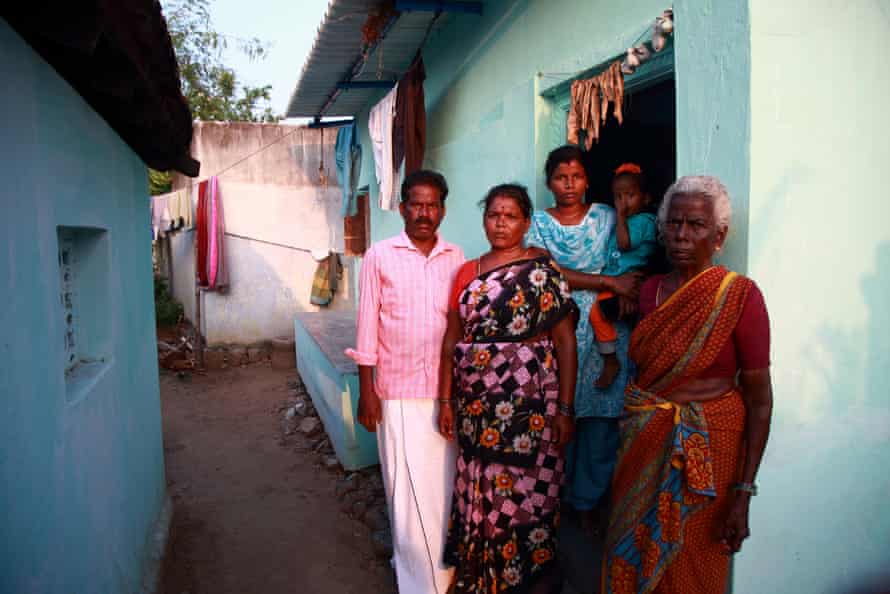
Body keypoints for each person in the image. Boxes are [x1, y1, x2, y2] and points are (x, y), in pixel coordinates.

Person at [602, 176, 773, 594]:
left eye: (695, 225)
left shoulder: (740, 297)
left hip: (710, 453)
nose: (681, 235)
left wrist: (743, 492)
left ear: (720, 234)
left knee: (692, 564)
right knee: (630, 548)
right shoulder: (647, 293)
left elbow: (761, 403)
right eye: (674, 223)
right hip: (646, 439)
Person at [438, 184, 578, 593]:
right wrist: (446, 399)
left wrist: (566, 410)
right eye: (493, 215)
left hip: (535, 406)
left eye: (510, 216)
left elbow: (566, 341)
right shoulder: (469, 272)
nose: (501, 223)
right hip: (478, 408)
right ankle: (484, 577)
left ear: (526, 223)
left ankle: (529, 577)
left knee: (534, 494)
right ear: (484, 220)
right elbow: (452, 339)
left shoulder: (540, 269)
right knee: (482, 492)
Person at [345, 170, 465, 594]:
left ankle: (444, 573)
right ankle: (418, 583)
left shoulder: (456, 257)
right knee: (405, 492)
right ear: (402, 208)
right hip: (395, 391)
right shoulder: (380, 255)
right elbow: (366, 327)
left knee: (441, 490)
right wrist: (367, 391)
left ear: (443, 210)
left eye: (433, 205)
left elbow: (460, 327)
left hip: (445, 394)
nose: (424, 213)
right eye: (416, 204)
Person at [525, 145, 641, 530]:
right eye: (561, 177)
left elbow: (625, 260)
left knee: (602, 415)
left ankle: (587, 501)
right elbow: (547, 271)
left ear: (587, 179)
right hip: (557, 322)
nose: (569, 184)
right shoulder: (538, 223)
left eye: (576, 176)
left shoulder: (607, 217)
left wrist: (623, 288)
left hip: (605, 321)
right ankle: (551, 499)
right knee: (559, 409)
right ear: (549, 183)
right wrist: (608, 281)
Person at [588, 163, 659, 389]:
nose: (623, 202)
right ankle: (613, 360)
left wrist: (619, 216)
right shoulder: (626, 222)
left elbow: (625, 244)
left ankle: (616, 363)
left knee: (606, 314)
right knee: (597, 311)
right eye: (618, 197)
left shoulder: (644, 221)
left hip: (633, 282)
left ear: (646, 198)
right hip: (616, 284)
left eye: (630, 195)